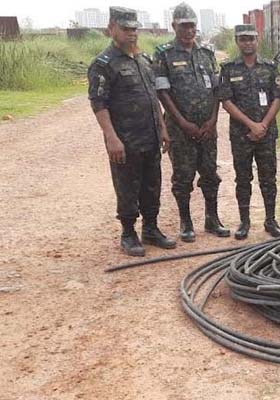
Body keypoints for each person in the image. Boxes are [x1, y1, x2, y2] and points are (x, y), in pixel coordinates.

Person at [88, 6, 176, 257]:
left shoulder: (144, 60)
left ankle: (151, 228)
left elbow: (152, 98)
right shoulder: (103, 64)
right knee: (127, 186)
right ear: (111, 29)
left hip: (150, 136)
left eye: (134, 29)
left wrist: (163, 127)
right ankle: (128, 233)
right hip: (125, 139)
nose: (131, 34)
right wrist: (111, 137)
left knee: (152, 184)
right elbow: (99, 103)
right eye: (125, 29)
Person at [153, 2, 229, 243]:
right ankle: (186, 223)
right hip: (180, 129)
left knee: (210, 174)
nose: (188, 31)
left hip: (207, 128)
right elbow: (163, 93)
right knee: (183, 177)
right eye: (184, 26)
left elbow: (217, 90)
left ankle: (212, 218)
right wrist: (183, 123)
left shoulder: (206, 54)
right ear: (174, 26)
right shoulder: (164, 54)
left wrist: (213, 121)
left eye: (192, 26)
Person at [215, 24, 280, 239]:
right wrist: (251, 125)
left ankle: (270, 220)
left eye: (251, 39)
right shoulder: (228, 68)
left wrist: (262, 124)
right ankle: (244, 222)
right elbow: (226, 101)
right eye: (243, 39)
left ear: (257, 40)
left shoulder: (270, 67)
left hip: (266, 132)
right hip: (241, 134)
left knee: (268, 178)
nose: (247, 43)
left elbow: (277, 97)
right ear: (237, 41)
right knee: (243, 178)